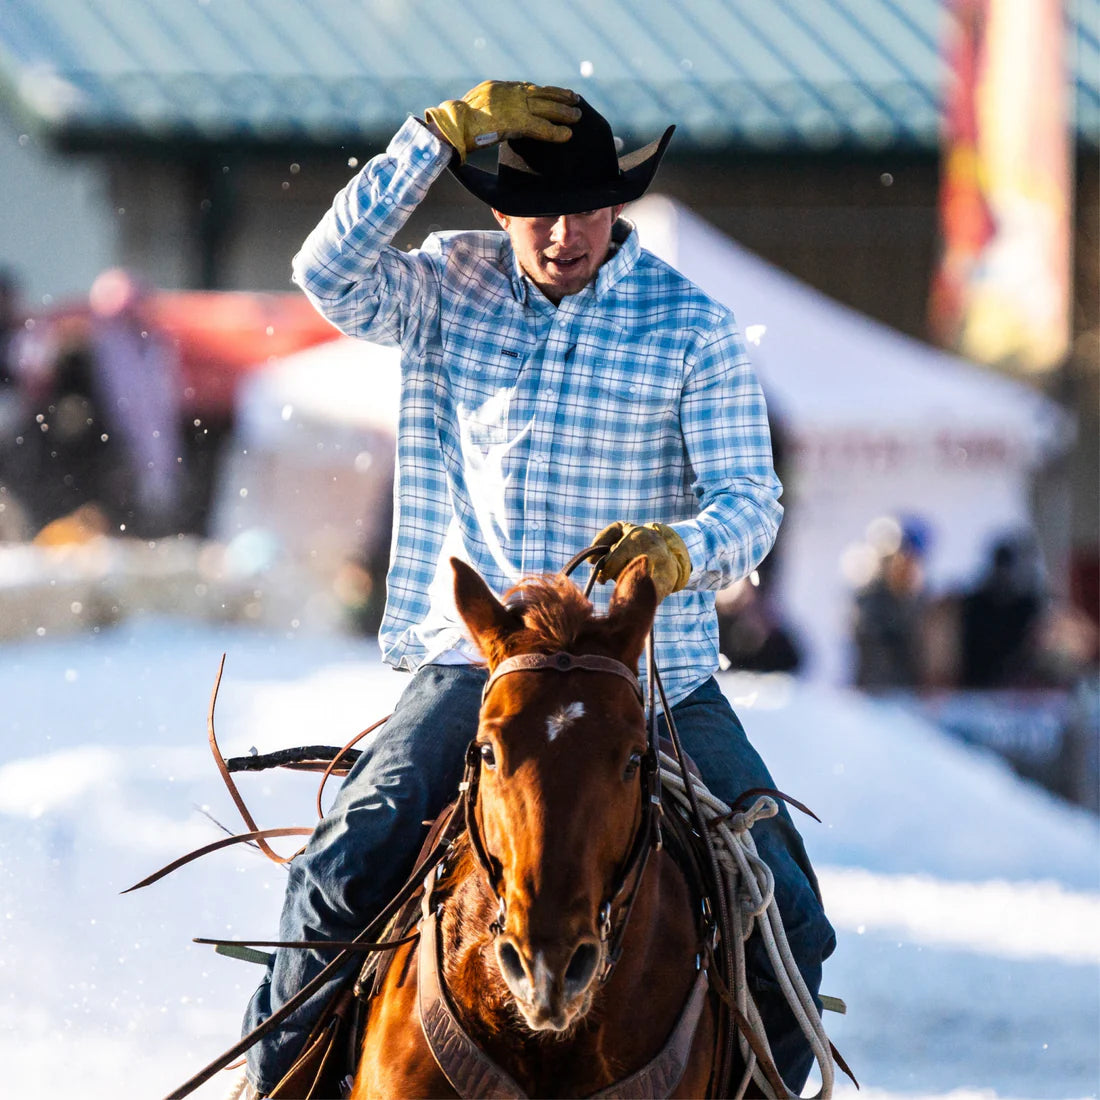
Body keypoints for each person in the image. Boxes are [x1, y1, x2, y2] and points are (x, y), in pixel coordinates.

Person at [241, 81, 834, 1095]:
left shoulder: (693, 328)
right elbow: (325, 272)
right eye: (540, 214)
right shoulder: (444, 284)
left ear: (618, 205)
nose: (566, 235)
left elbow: (751, 500)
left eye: (587, 209)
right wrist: (431, 139)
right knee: (343, 863)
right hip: (478, 664)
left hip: (653, 676)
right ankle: (275, 1084)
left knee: (788, 909)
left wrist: (681, 548)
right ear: (499, 212)